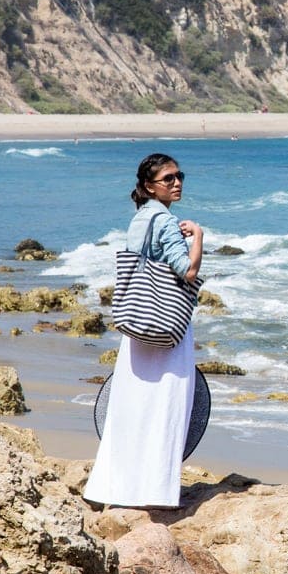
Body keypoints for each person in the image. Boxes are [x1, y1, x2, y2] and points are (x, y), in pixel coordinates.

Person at [84, 153, 203, 509]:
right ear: (150, 186)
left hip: (138, 323)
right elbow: (188, 272)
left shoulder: (139, 218)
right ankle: (155, 491)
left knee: (130, 406)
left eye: (179, 176)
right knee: (166, 405)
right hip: (167, 325)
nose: (177, 182)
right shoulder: (165, 221)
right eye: (168, 179)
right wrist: (198, 235)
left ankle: (110, 487)